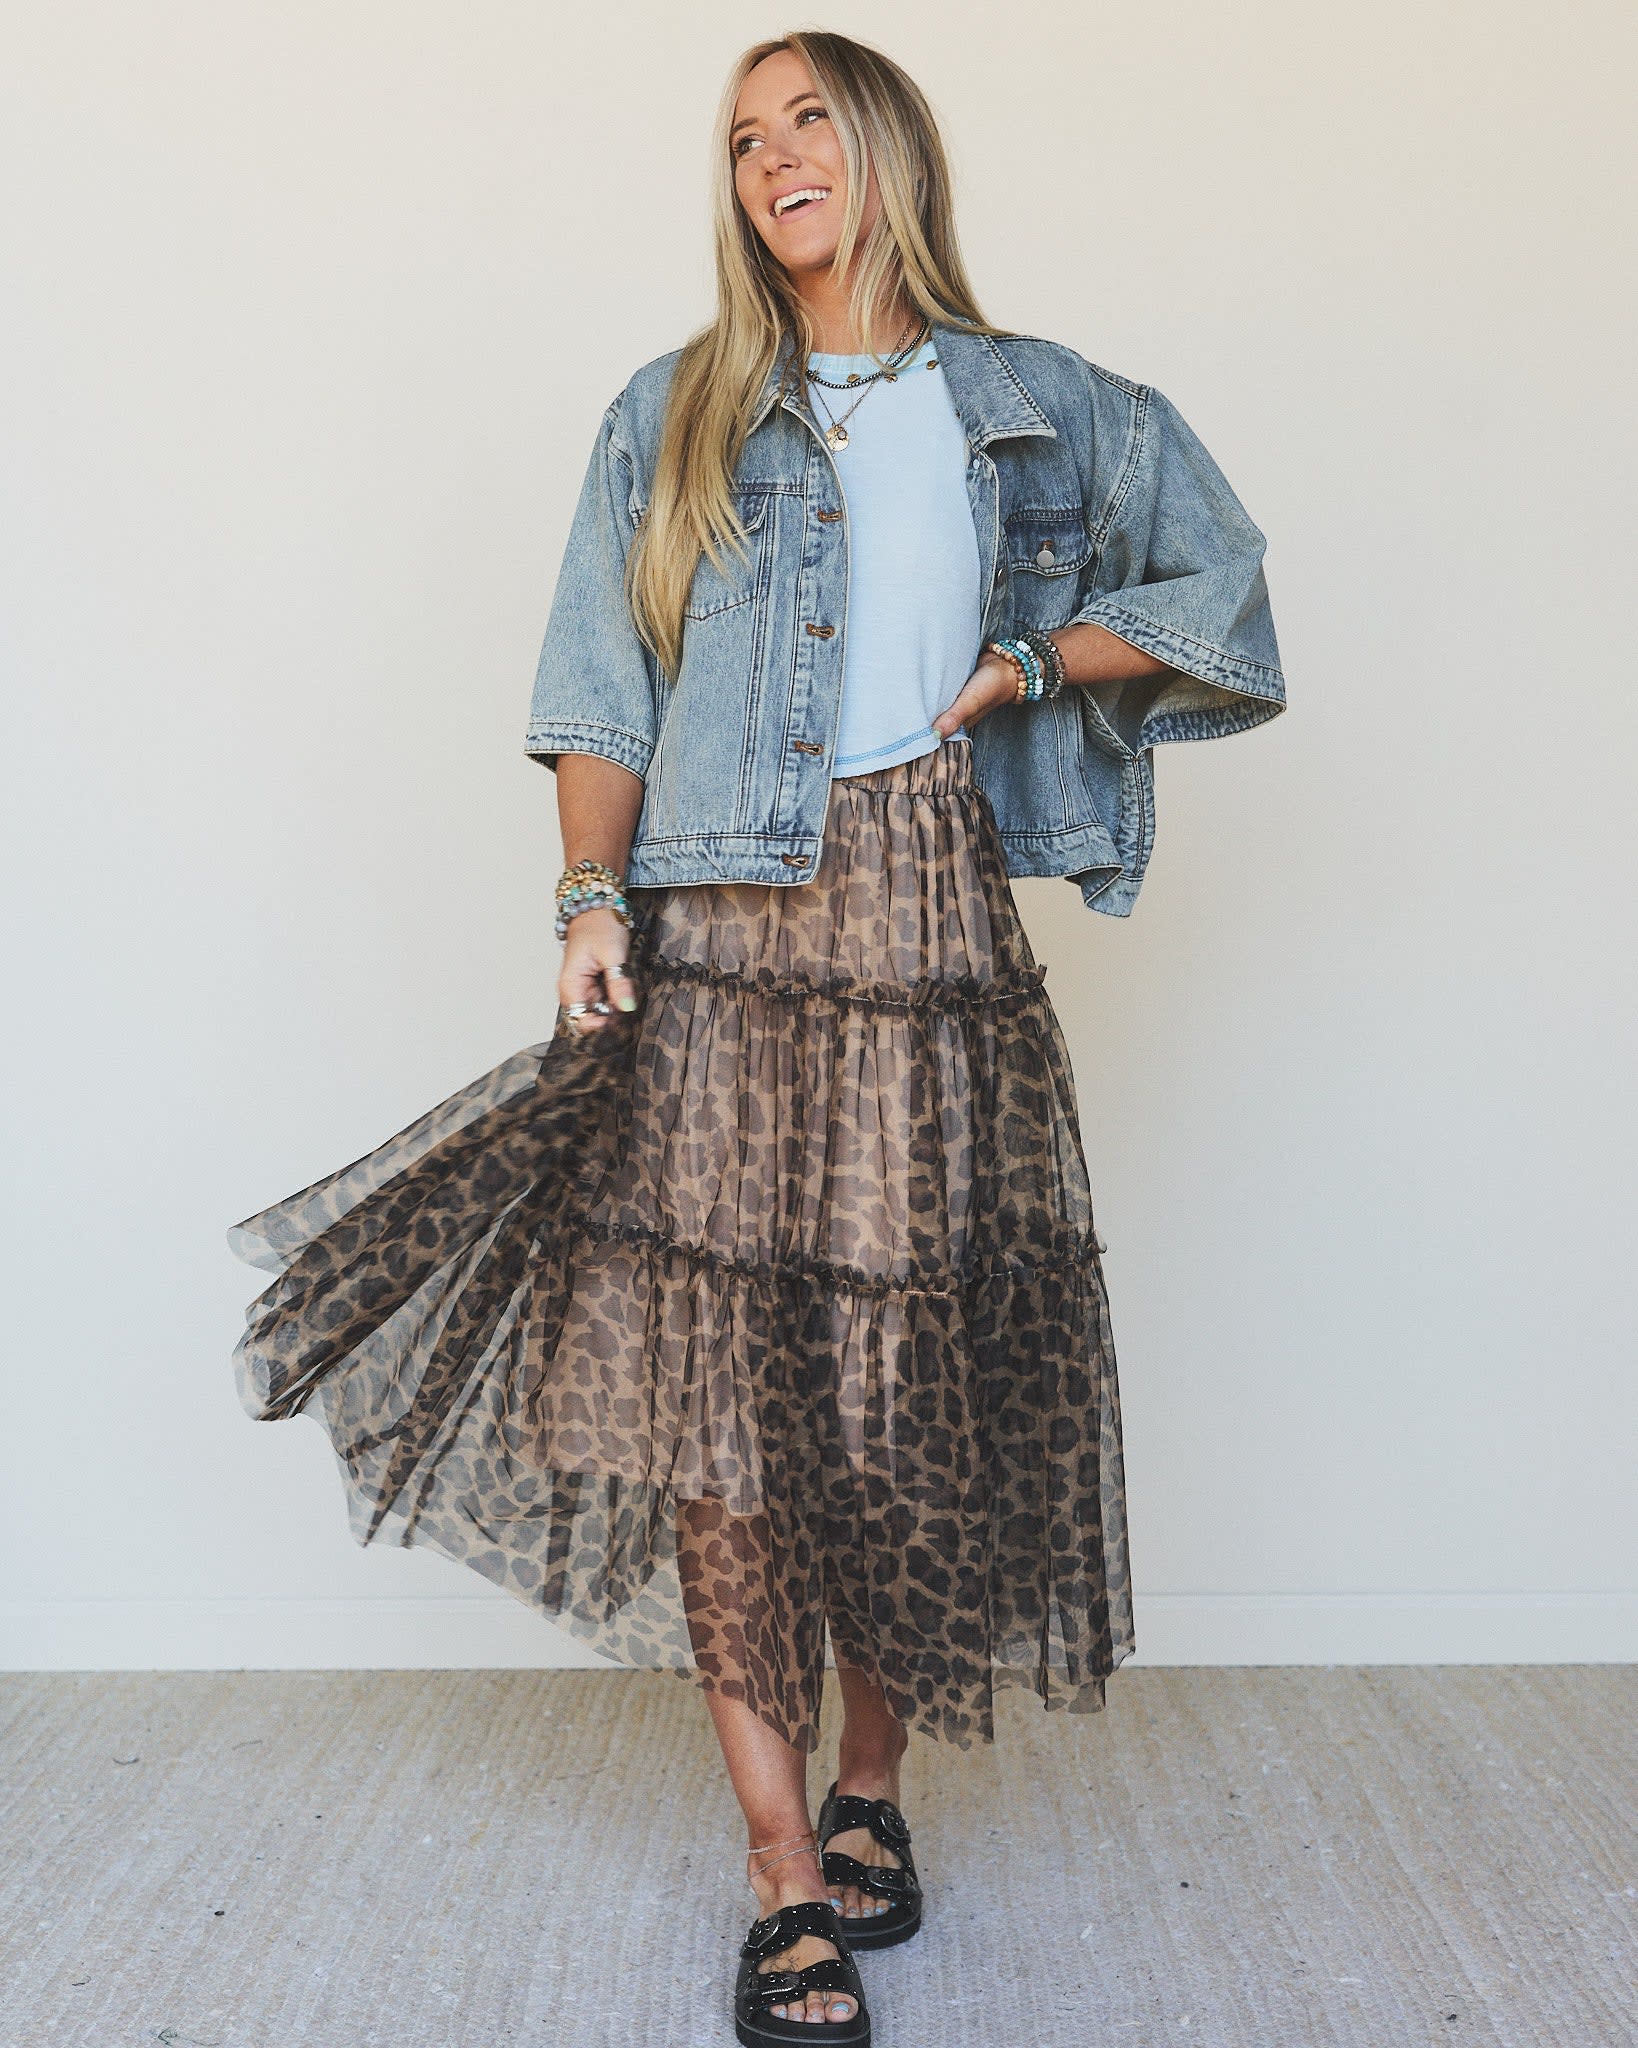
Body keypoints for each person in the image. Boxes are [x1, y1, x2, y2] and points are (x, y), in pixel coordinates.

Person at [228, 30, 1285, 2047]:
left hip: (927, 923)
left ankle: (873, 1782)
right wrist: (585, 900)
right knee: (727, 1416)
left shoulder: (1041, 406)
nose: (772, 158)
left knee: (903, 1399)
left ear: (890, 153)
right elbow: (597, 686)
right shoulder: (677, 412)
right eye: (740, 138)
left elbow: (1222, 602)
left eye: (808, 120)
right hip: (717, 927)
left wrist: (1030, 661)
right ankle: (783, 1869)